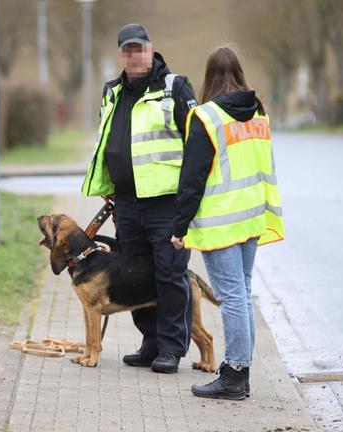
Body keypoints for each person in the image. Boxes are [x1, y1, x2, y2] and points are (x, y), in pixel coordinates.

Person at [81, 23, 198, 373]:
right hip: (126, 202)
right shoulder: (112, 91)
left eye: (139, 49)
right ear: (121, 55)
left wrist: (189, 201)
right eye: (128, 50)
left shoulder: (175, 87)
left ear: (151, 49)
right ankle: (150, 343)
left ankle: (171, 348)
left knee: (170, 274)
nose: (134, 56)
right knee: (134, 275)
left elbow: (196, 144)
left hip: (166, 202)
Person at [171, 46, 285, 399]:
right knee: (242, 294)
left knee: (233, 297)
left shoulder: (207, 117)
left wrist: (179, 226)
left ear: (209, 76)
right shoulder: (259, 113)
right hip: (252, 216)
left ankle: (234, 374)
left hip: (222, 222)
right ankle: (241, 373)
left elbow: (192, 178)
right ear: (239, 72)